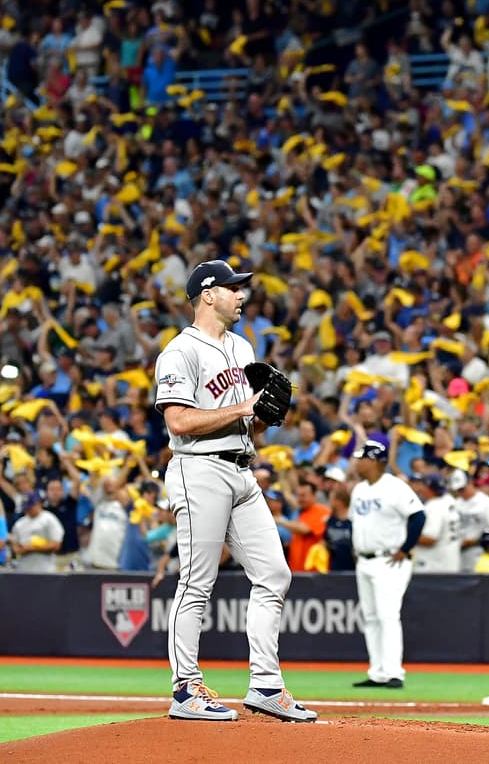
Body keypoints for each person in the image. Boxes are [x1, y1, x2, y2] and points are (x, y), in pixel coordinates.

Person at [153, 260, 315, 723]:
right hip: (198, 469)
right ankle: (185, 689)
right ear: (208, 295)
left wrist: (262, 417)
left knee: (274, 574)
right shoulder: (180, 352)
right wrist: (245, 406)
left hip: (243, 469)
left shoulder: (242, 347)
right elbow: (179, 421)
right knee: (196, 582)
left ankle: (265, 685)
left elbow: (246, 423)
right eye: (232, 288)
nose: (241, 295)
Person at [348, 440, 425, 689]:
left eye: (362, 458)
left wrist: (405, 548)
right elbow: (355, 523)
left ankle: (394, 673)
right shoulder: (359, 489)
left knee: (387, 615)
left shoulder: (395, 487)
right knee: (371, 617)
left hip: (389, 559)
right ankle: (378, 672)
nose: (358, 462)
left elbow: (418, 516)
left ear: (375, 461)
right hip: (365, 559)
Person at [276, 480, 329, 573]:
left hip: (313, 570)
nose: (300, 499)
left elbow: (304, 529)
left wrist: (279, 520)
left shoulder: (321, 511)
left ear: (314, 496)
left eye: (303, 495)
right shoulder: (298, 513)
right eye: (298, 495)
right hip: (295, 569)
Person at [411, 473, 461, 573]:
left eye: (423, 485)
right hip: (449, 563)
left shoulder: (434, 507)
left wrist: (405, 536)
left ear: (428, 488)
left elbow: (430, 539)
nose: (420, 488)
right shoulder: (449, 501)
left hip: (433, 567)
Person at [450, 470, 489, 572]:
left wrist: (474, 540)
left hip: (477, 551)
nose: (460, 492)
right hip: (456, 551)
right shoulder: (455, 503)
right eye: (458, 490)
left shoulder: (486, 503)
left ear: (470, 482)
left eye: (462, 489)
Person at [9, 491, 64, 573]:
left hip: (45, 569)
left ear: (38, 504)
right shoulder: (19, 523)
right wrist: (17, 549)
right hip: (24, 569)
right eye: (26, 507)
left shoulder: (49, 519)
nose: (28, 510)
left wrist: (32, 548)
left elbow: (56, 545)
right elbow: (14, 544)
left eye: (30, 506)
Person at [322, 486, 355, 572]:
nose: (329, 502)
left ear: (339, 502)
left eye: (331, 499)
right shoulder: (330, 521)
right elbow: (325, 540)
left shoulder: (353, 522)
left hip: (351, 569)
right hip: (333, 569)